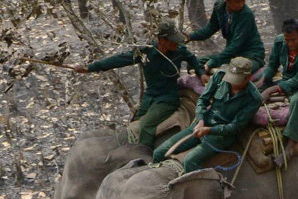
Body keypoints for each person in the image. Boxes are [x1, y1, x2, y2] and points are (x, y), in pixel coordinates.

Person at [74, 22, 204, 148]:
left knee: (146, 127)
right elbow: (118, 60)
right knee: (134, 123)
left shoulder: (179, 51)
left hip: (167, 99)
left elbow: (192, 59)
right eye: (173, 41)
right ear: (162, 40)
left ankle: (143, 158)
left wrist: (201, 72)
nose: (177, 43)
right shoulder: (145, 53)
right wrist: (90, 68)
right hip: (149, 97)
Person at [152, 57, 262, 173]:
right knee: (159, 152)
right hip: (201, 125)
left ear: (248, 77)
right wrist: (200, 120)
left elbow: (234, 127)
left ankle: (208, 188)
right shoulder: (220, 76)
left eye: (236, 80)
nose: (231, 82)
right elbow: (202, 100)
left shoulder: (253, 99)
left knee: (189, 161)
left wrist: (209, 130)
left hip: (220, 136)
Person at [257, 19, 298, 165]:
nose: (290, 44)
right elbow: (272, 64)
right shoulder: (280, 41)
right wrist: (263, 81)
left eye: (293, 40)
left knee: (297, 101)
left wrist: (271, 90)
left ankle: (289, 147)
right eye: (287, 40)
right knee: (253, 90)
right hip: (284, 80)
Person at [187, 0, 265, 70]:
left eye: (243, 1)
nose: (241, 4)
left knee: (238, 70)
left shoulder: (246, 15)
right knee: (194, 63)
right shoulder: (219, 7)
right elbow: (210, 29)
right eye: (237, 2)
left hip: (250, 56)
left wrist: (213, 62)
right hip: (231, 56)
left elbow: (236, 44)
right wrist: (190, 37)